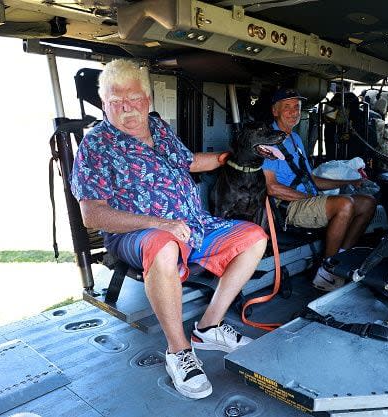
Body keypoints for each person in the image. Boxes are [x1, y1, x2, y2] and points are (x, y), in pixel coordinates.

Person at [70, 59, 268, 400]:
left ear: (148, 99)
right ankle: (179, 351)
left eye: (133, 98)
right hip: (138, 234)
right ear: (104, 104)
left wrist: (231, 157)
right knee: (163, 245)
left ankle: (208, 328)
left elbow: (188, 161)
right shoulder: (97, 145)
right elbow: (92, 215)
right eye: (115, 101)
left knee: (254, 237)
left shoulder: (157, 128)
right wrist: (158, 223)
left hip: (193, 225)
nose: (126, 108)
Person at [262, 88, 377, 291]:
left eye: (297, 107)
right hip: (287, 207)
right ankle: (326, 272)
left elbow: (311, 178)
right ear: (275, 111)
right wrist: (308, 198)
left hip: (307, 198)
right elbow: (272, 188)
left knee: (367, 202)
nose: (293, 112)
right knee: (344, 204)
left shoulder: (295, 139)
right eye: (287, 107)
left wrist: (347, 183)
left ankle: (340, 258)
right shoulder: (266, 142)